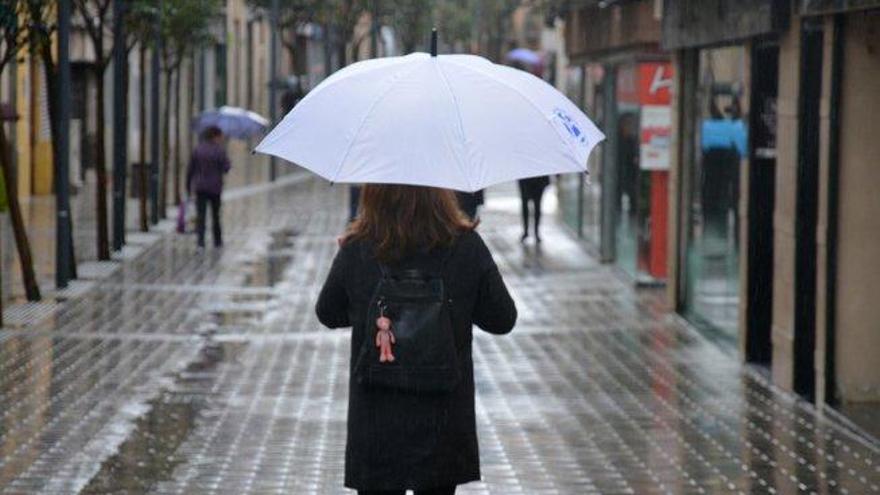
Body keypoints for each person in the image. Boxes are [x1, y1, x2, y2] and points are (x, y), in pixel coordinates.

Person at [316, 184, 517, 495]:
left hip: (377, 421)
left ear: (373, 194)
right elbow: (502, 319)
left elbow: (328, 313)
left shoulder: (359, 247)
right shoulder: (466, 245)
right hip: (442, 421)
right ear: (441, 194)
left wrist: (355, 283)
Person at [186, 125, 231, 249]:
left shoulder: (198, 149)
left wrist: (188, 187)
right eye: (220, 136)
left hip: (200, 187)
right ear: (215, 136)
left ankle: (200, 242)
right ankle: (217, 241)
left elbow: (190, 170)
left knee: (201, 216)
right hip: (215, 188)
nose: (222, 138)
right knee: (215, 215)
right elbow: (226, 168)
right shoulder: (220, 150)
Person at [517, 176, 550, 243]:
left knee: (536, 206)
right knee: (527, 206)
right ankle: (527, 231)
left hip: (538, 180)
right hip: (526, 180)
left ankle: (535, 232)